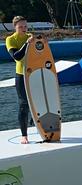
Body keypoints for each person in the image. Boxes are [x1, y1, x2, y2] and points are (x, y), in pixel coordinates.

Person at [6, 16, 33, 145]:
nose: (24, 29)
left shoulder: (30, 36)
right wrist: (27, 43)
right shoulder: (10, 39)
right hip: (21, 75)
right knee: (23, 105)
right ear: (15, 27)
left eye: (25, 26)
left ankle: (38, 124)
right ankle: (24, 135)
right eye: (20, 27)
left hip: (34, 74)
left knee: (38, 101)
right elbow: (17, 56)